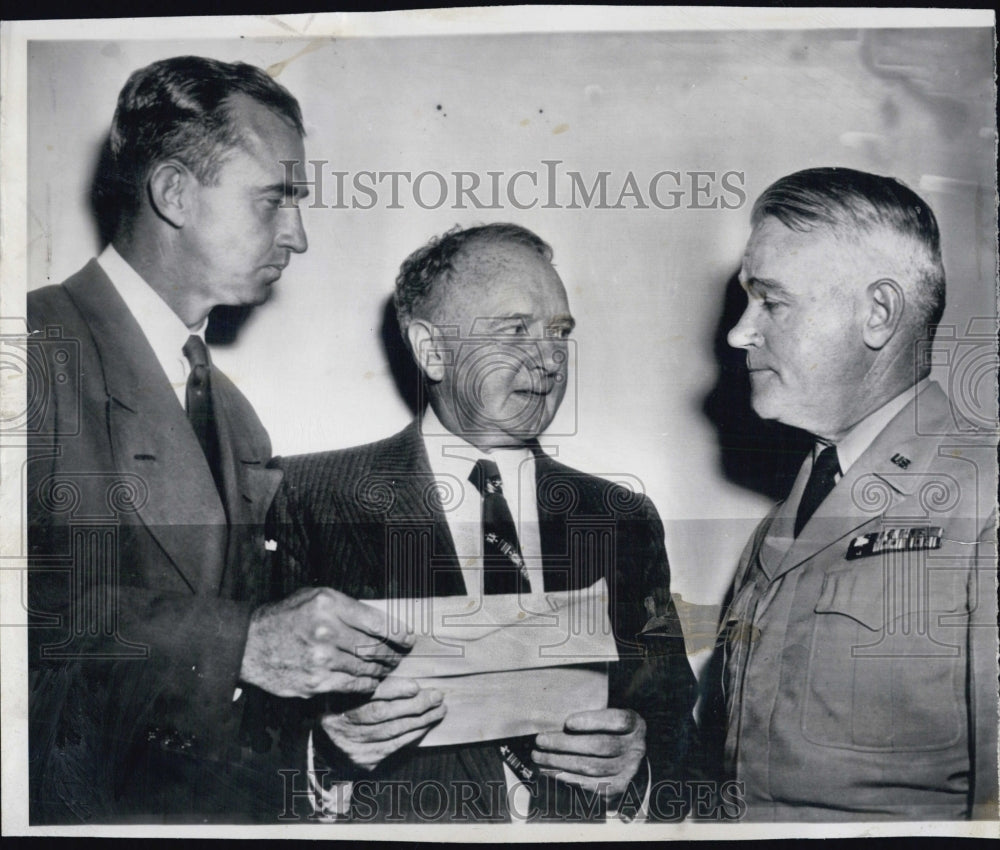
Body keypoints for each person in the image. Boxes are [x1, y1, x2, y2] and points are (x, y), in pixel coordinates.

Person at [27, 55, 413, 824]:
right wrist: (240, 641)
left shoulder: (234, 415)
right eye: (276, 200)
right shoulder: (30, 350)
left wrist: (323, 741)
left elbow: (225, 703)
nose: (298, 236)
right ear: (174, 193)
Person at [267, 223, 699, 822]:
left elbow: (676, 721)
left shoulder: (623, 519)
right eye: (514, 330)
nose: (548, 360)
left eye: (560, 333)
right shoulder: (309, 498)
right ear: (431, 350)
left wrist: (637, 770)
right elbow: (223, 737)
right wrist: (326, 754)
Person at [719, 167, 998, 820]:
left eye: (772, 301)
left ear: (877, 312)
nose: (740, 332)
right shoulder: (790, 515)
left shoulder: (981, 499)